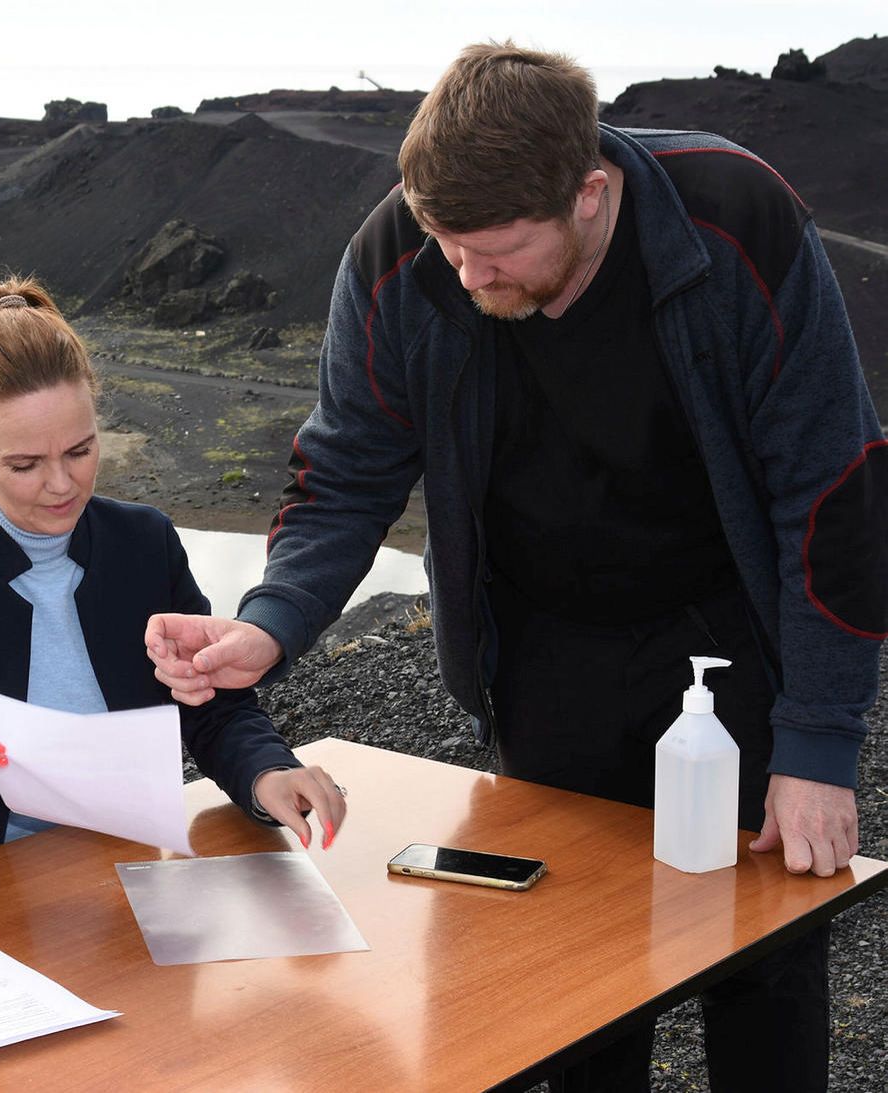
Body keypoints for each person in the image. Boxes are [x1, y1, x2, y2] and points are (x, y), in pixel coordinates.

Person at [146, 42, 882, 1093]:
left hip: (730, 633)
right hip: (540, 648)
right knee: (568, 960)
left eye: (493, 250)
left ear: (588, 193)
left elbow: (832, 487)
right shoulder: (401, 251)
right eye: (446, 244)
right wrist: (267, 622)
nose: (464, 274)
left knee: (759, 953)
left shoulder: (736, 221)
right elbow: (345, 472)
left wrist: (816, 744)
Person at [0, 277, 347, 887]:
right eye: (25, 464)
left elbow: (210, 705)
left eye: (80, 451)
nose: (62, 485)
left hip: (119, 876)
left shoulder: (144, 542)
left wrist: (268, 771)